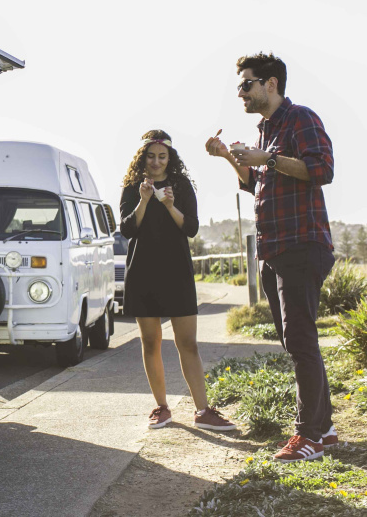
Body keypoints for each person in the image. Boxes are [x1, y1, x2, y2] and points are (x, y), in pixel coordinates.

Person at [205, 52, 336, 463]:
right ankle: (325, 430)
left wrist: (269, 159)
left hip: (301, 244)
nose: (240, 92)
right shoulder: (265, 131)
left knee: (300, 341)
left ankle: (308, 435)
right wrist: (230, 156)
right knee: (296, 342)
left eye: (246, 83)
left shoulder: (302, 119)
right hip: (275, 249)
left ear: (271, 84)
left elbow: (322, 169)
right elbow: (257, 183)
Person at [121, 130, 236, 431]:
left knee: (188, 343)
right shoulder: (133, 187)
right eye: (151, 156)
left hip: (177, 273)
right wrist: (144, 201)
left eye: (162, 156)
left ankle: (203, 410)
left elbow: (193, 228)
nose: (156, 162)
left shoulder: (181, 185)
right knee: (151, 342)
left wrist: (171, 206)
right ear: (143, 157)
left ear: (169, 158)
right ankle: (161, 408)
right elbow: (128, 229)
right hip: (143, 272)